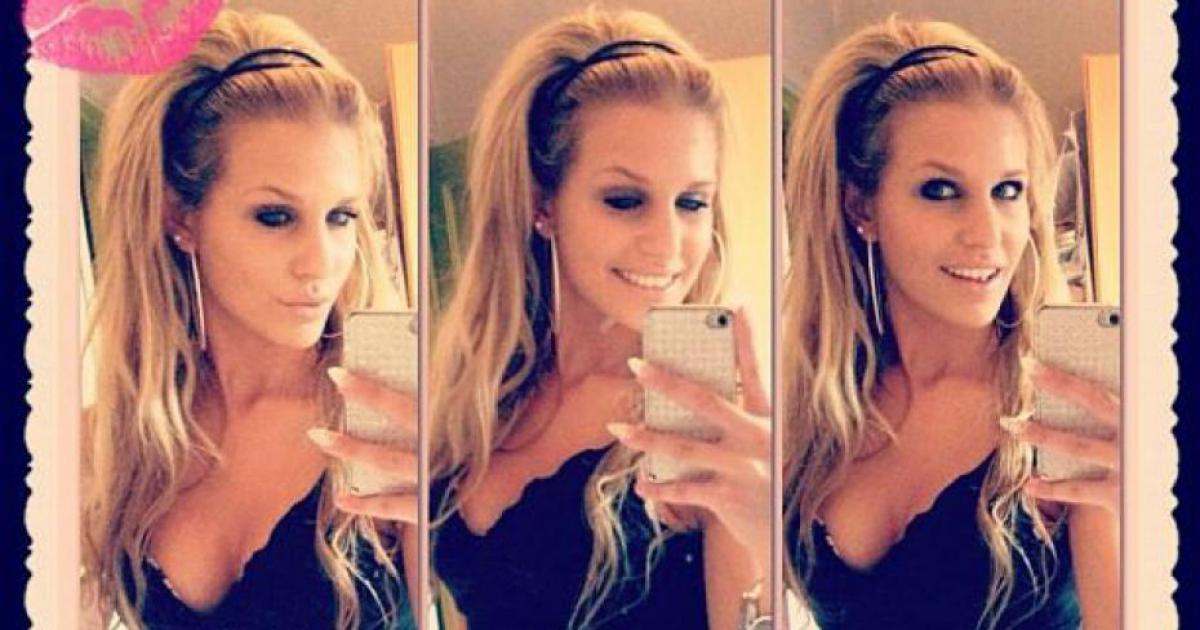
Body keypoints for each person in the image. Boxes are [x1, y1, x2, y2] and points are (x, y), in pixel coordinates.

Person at [429, 7, 771, 629]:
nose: (668, 244)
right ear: (542, 202)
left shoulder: (710, 422)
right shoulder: (473, 399)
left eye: (692, 202)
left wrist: (767, 541)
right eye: (625, 200)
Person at [80, 10, 417, 629]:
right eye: (275, 217)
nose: (321, 261)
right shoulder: (110, 446)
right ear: (181, 218)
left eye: (341, 217)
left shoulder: (392, 414)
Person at [782, 16, 1119, 630]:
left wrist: (1146, 525)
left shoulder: (1069, 409)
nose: (988, 234)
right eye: (941, 190)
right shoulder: (813, 408)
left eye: (1008, 190)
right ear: (861, 205)